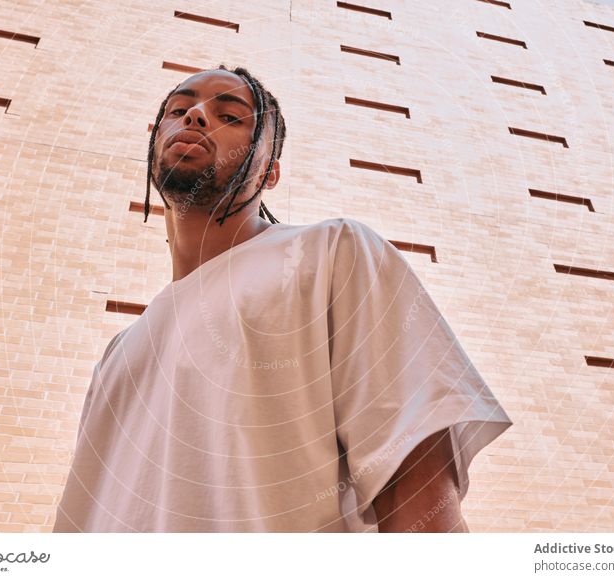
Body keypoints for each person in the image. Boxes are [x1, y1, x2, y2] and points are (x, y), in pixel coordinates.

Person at [52, 65, 513, 533]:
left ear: (269, 173)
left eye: (230, 116)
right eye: (178, 108)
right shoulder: (118, 354)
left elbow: (414, 479)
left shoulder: (331, 253)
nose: (194, 116)